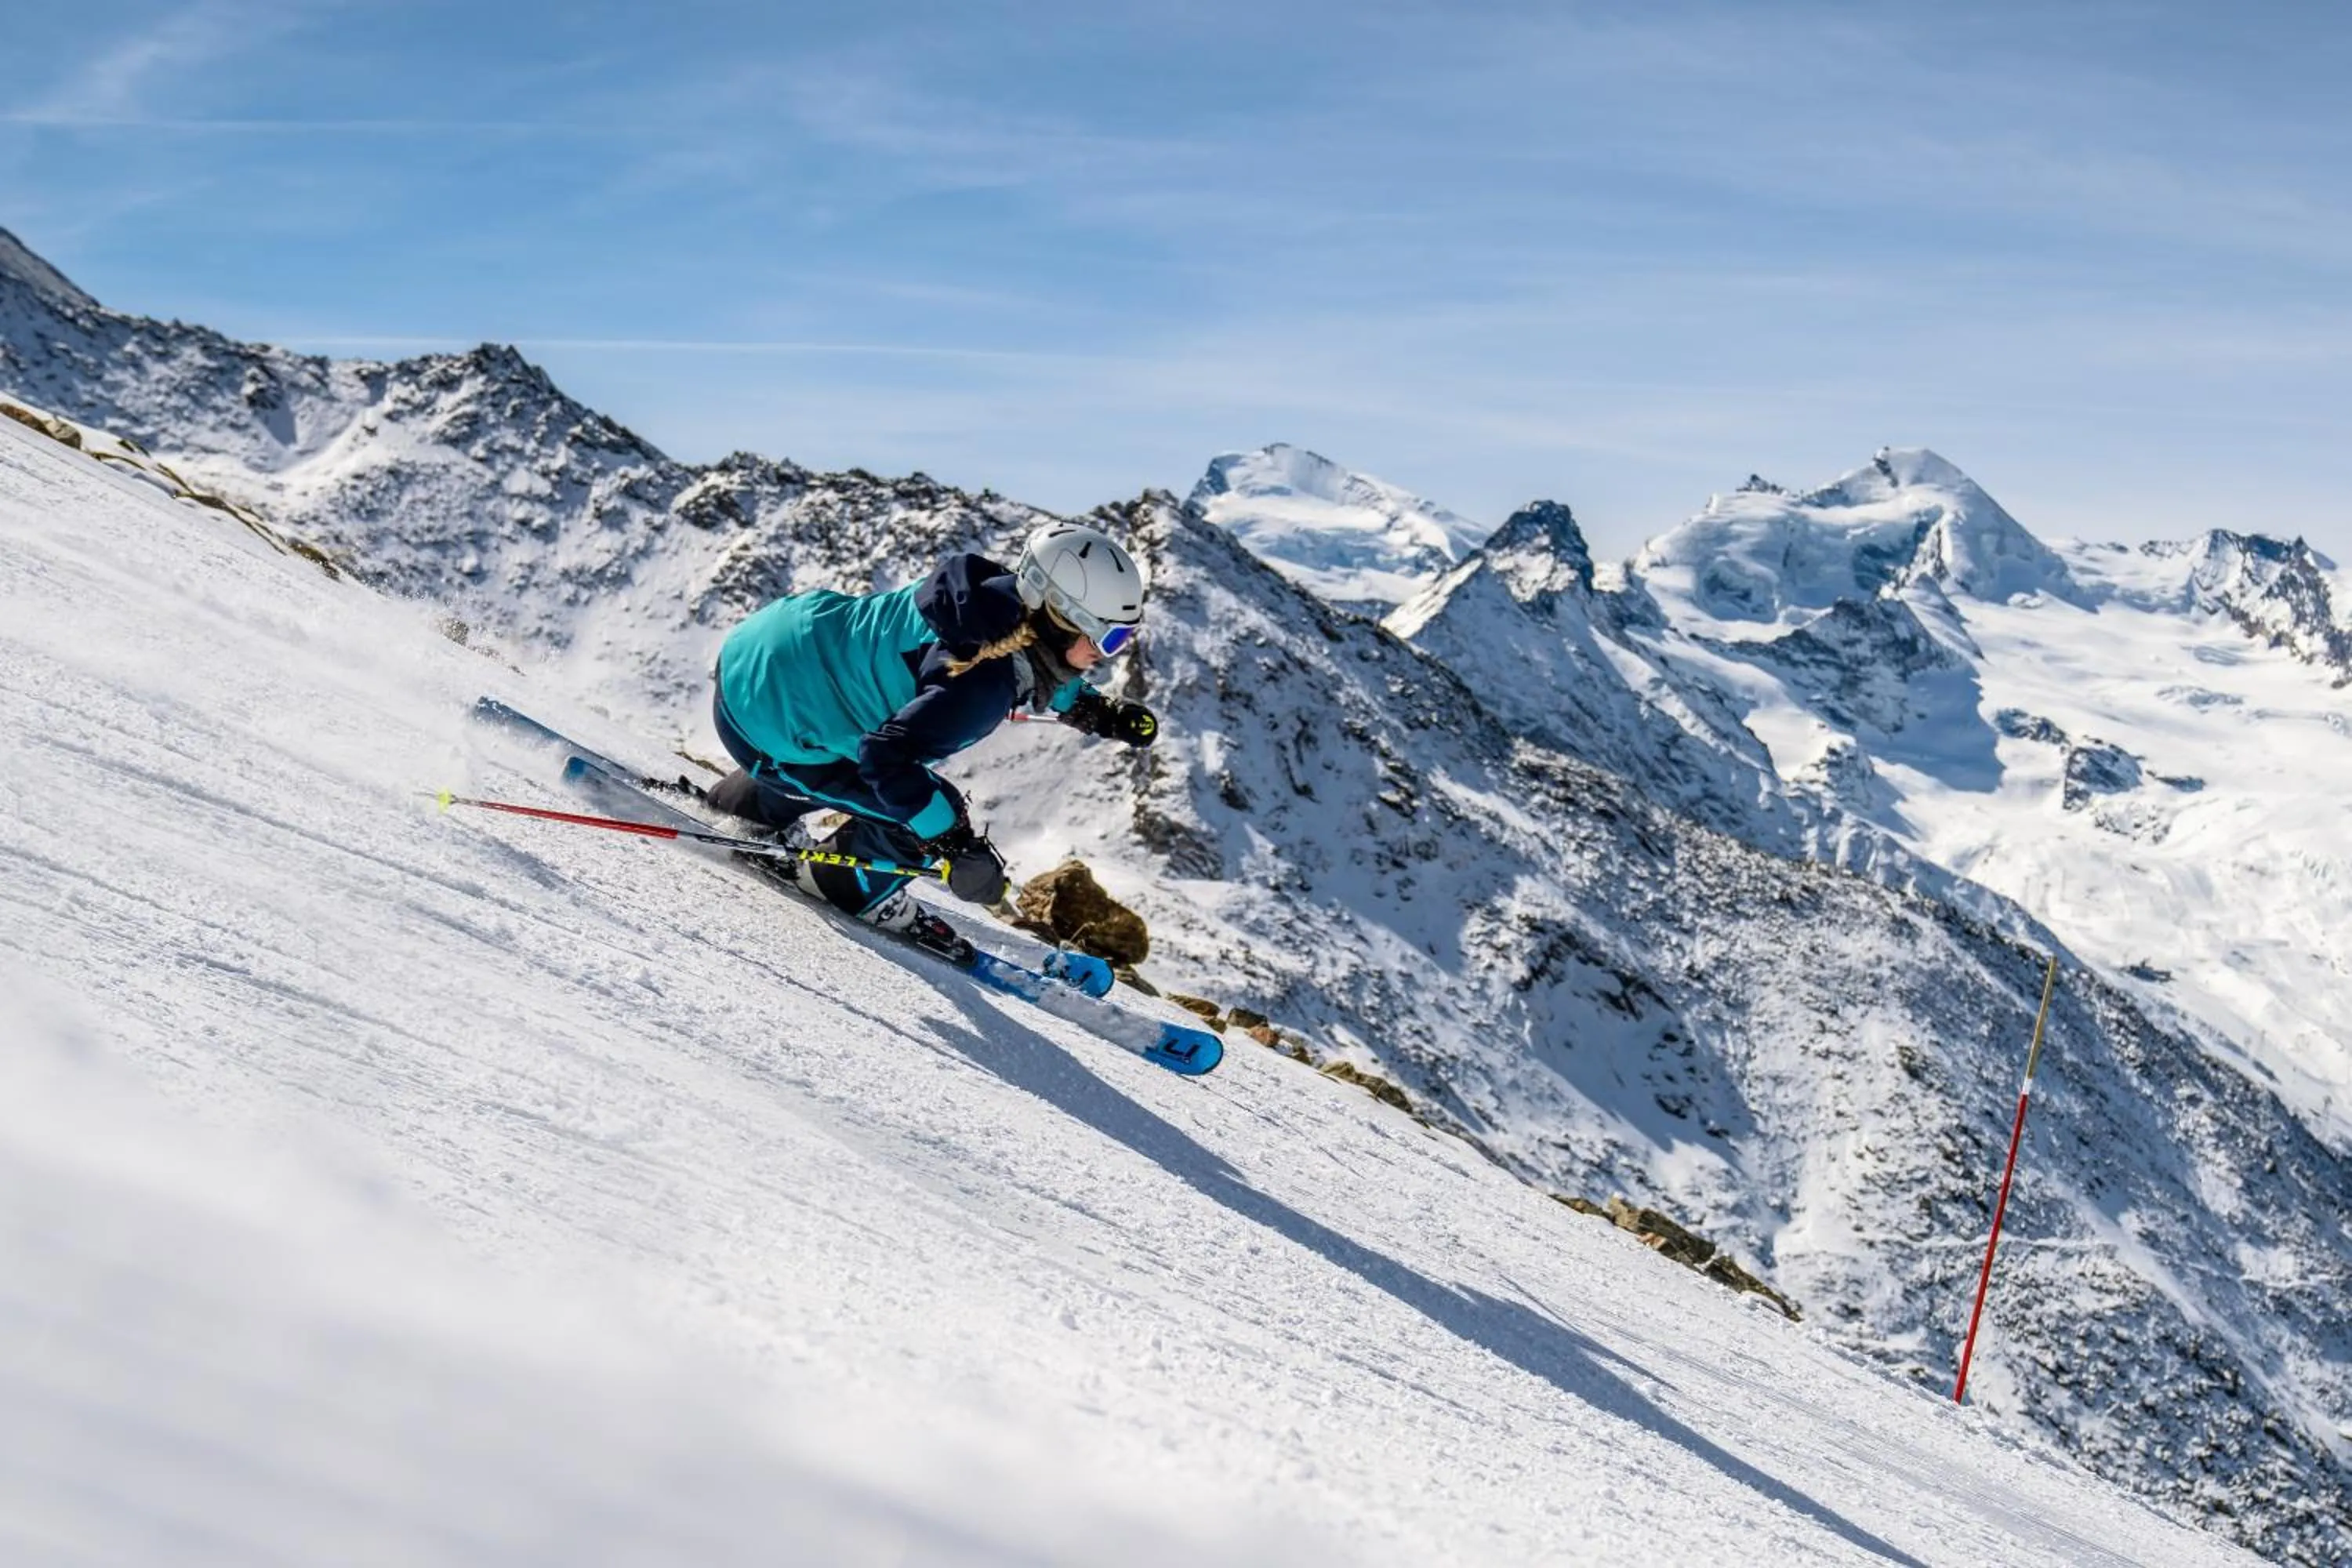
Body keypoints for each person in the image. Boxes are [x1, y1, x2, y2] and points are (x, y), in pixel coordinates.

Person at [704, 521, 1160, 938]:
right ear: (1058, 617)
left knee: (838, 731)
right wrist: (955, 844)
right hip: (761, 731)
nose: (1110, 652)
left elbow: (1028, 661)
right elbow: (885, 758)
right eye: (1108, 637)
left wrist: (1096, 710)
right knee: (925, 818)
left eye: (1123, 637)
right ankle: (843, 886)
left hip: (755, 663)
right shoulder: (980, 689)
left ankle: (744, 807)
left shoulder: (983, 598)